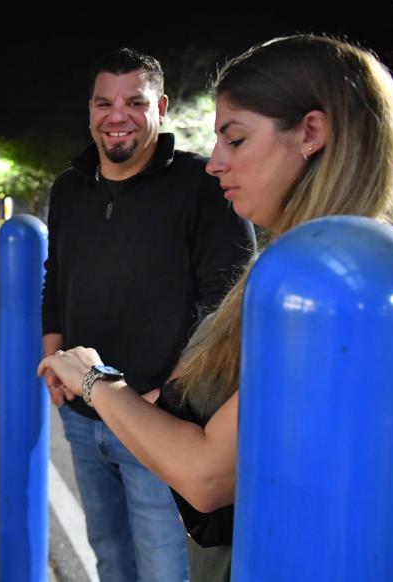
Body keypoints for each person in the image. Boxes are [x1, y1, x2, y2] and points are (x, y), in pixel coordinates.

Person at [38, 35, 393, 582]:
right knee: (111, 553)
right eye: (218, 139)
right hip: (148, 448)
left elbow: (209, 474)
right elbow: (58, 280)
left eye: (235, 139)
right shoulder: (312, 262)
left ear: (311, 133)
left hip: (258, 539)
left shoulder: (324, 277)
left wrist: (98, 380)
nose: (217, 163)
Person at [40, 48, 256, 582]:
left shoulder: (203, 186)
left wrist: (168, 398)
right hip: (82, 417)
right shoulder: (68, 187)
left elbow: (225, 311)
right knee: (110, 558)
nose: (117, 115)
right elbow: (55, 279)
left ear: (159, 107)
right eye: (103, 102)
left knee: (166, 570)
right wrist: (54, 358)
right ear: (89, 112)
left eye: (134, 101)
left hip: (163, 425)